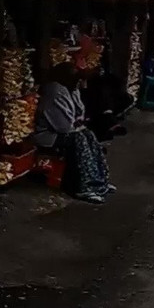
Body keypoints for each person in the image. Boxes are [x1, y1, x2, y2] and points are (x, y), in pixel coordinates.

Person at [33, 61, 114, 204]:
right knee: (79, 139)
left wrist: (78, 122)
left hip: (64, 130)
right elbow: (63, 127)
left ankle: (100, 181)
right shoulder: (55, 91)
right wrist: (77, 122)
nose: (80, 82)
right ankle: (84, 186)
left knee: (89, 135)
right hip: (47, 135)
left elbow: (79, 114)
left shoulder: (71, 89)